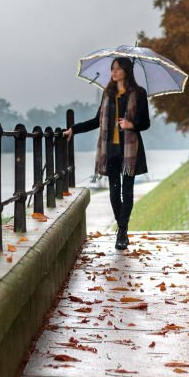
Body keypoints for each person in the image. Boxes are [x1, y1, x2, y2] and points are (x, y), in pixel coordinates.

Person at [63, 57, 150, 250]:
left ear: (126, 71)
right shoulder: (107, 94)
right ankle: (122, 227)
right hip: (110, 150)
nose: (114, 72)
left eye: (118, 69)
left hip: (129, 151)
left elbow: (146, 123)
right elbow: (97, 121)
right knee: (113, 192)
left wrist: (131, 124)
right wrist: (73, 130)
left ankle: (122, 233)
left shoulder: (139, 93)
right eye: (113, 68)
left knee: (127, 192)